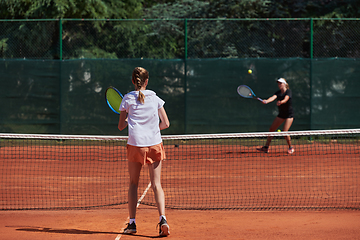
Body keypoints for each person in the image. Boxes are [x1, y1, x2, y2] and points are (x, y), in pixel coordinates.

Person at [118, 67, 170, 236]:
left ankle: (132, 223)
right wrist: (153, 130)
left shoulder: (127, 99)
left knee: (133, 183)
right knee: (157, 185)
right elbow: (166, 124)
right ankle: (163, 219)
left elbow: (120, 126)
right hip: (155, 143)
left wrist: (126, 119)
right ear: (146, 81)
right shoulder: (155, 98)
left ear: (133, 81)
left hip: (135, 145)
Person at [257, 78, 294, 154]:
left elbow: (286, 99)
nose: (279, 85)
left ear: (285, 84)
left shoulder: (288, 91)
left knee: (284, 131)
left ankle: (291, 147)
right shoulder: (278, 93)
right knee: (271, 129)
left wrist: (281, 102)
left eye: (280, 83)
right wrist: (266, 101)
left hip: (289, 115)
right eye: (278, 83)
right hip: (281, 114)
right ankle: (266, 147)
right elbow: (273, 98)